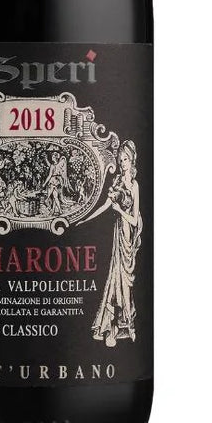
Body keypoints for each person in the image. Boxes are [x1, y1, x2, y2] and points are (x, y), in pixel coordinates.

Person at [91, 141, 142, 347]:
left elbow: (135, 219)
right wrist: (87, 218)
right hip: (118, 234)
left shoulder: (135, 185)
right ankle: (112, 327)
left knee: (126, 281)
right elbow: (106, 205)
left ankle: (127, 324)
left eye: (125, 159)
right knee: (116, 278)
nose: (122, 163)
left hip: (128, 236)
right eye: (120, 160)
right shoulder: (118, 181)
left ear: (132, 160)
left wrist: (120, 210)